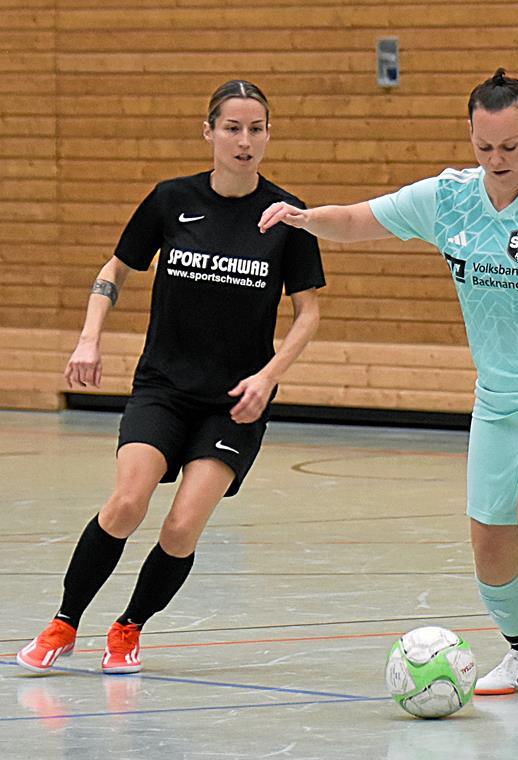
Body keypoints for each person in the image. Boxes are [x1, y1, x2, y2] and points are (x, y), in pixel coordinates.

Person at [258, 68, 518, 692]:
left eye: (510, 147)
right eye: (484, 148)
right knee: (491, 548)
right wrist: (305, 219)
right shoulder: (448, 198)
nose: (497, 159)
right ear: (471, 136)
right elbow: (358, 220)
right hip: (498, 400)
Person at [17, 80, 325, 675]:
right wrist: (89, 335)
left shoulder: (286, 217)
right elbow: (117, 267)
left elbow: (308, 312)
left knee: (182, 526)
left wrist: (267, 377)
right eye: (232, 128)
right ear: (208, 132)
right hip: (163, 386)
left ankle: (129, 627)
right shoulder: (170, 199)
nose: (244, 140)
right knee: (127, 503)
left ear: (269, 135)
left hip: (234, 402)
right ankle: (64, 621)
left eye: (256, 128)